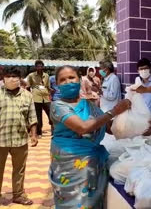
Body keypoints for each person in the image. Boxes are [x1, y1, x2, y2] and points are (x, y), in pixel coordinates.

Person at [49, 65, 131, 208]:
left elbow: (108, 128)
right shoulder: (58, 106)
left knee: (91, 202)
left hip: (92, 165)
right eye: (63, 80)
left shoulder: (89, 105)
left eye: (71, 77)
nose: (68, 82)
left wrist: (131, 121)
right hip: (68, 164)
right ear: (57, 85)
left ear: (79, 80)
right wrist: (114, 111)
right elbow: (83, 127)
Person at [0, 67, 38, 206]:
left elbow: (32, 117)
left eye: (14, 76)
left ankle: (18, 195)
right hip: (0, 139)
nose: (11, 79)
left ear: (19, 78)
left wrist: (34, 135)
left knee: (19, 169)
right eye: (8, 76)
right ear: (3, 78)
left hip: (20, 139)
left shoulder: (27, 95)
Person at [27, 60, 51, 138]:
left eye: (41, 66)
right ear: (35, 67)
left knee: (50, 113)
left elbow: (48, 86)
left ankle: (54, 129)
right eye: (38, 66)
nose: (39, 67)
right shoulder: (31, 75)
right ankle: (39, 132)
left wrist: (51, 92)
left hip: (46, 97)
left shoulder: (46, 75)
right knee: (38, 115)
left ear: (43, 66)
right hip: (36, 97)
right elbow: (28, 86)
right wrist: (30, 95)